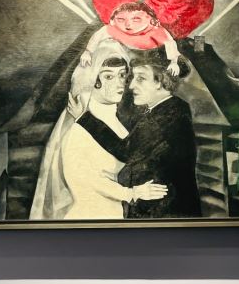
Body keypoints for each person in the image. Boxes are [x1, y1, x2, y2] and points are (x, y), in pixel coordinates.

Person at [29, 40, 167, 220]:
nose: (120, 83)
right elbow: (85, 178)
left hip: (113, 214)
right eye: (108, 77)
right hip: (88, 217)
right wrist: (131, 193)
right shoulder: (79, 127)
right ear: (92, 80)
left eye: (122, 75)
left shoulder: (114, 123)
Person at [71, 51, 202, 219]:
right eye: (132, 78)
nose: (131, 85)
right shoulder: (168, 109)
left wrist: (84, 118)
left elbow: (125, 150)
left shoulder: (167, 114)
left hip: (165, 215)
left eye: (140, 78)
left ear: (161, 81)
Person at [80, 2, 181, 76]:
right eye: (121, 19)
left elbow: (170, 43)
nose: (128, 24)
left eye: (136, 19)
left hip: (152, 58)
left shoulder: (156, 31)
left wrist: (174, 62)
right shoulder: (113, 29)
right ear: (112, 21)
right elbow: (98, 36)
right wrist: (88, 52)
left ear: (151, 20)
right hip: (125, 61)